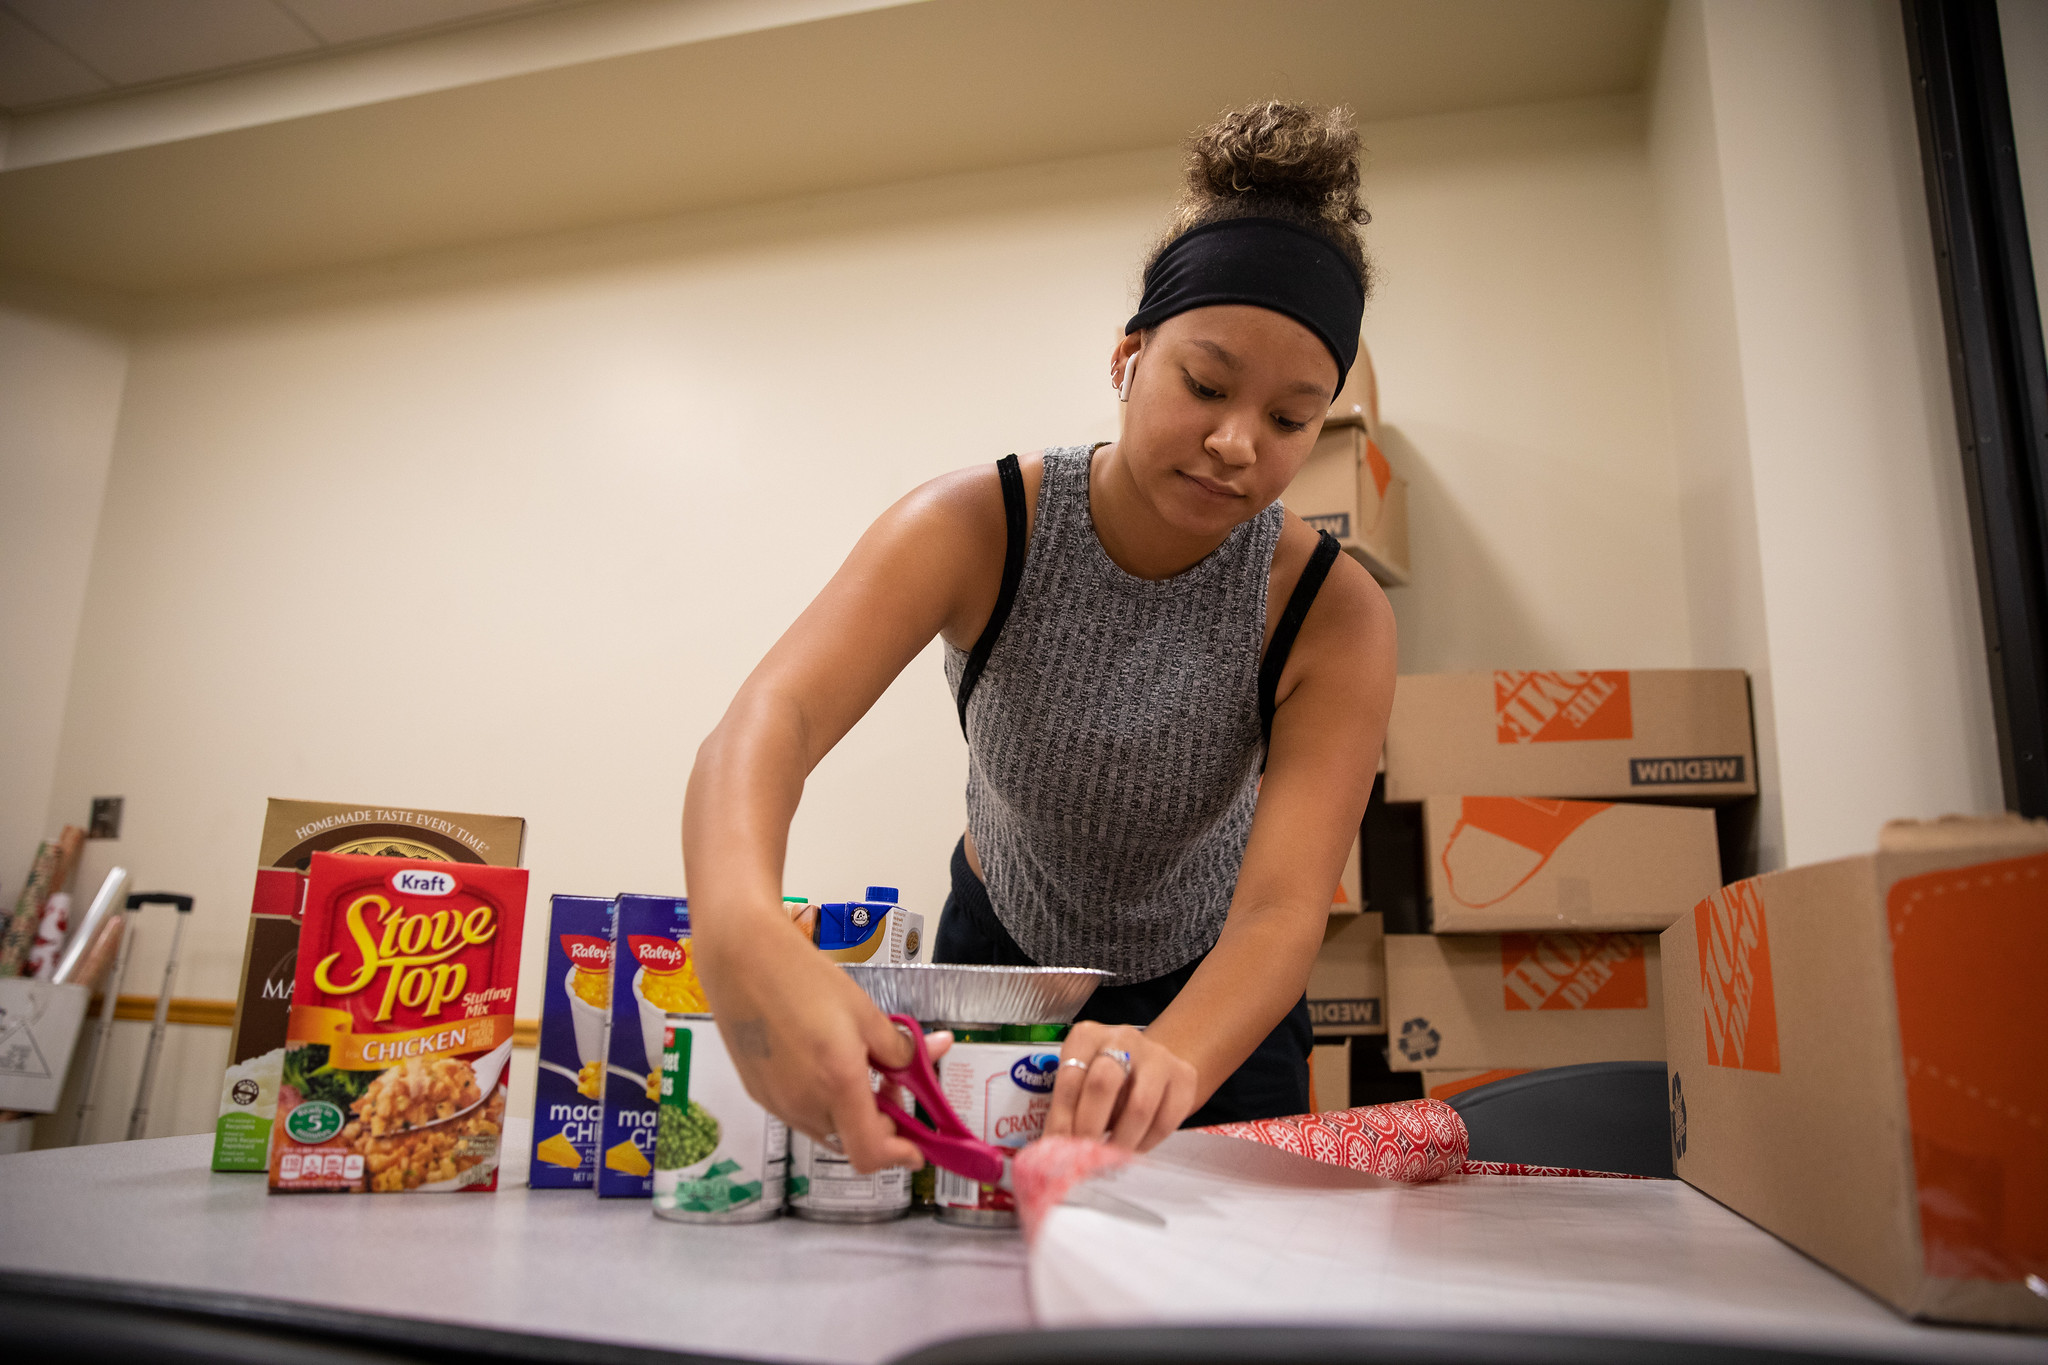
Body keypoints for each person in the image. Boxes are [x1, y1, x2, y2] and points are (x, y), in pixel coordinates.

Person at [683, 100, 1396, 1175]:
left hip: (1214, 989)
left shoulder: (1332, 612)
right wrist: (735, 929)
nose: (1234, 442)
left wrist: (1167, 1060)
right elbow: (771, 719)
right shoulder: (974, 526)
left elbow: (1283, 909)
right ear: (1127, 358)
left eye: (1290, 418)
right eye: (1202, 383)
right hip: (999, 958)